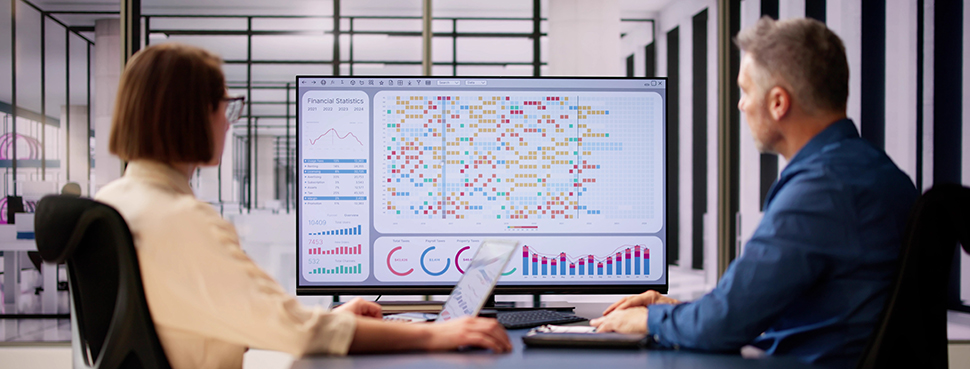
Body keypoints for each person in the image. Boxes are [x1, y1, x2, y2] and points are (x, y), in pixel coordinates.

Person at [94, 43, 511, 369]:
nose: (227, 120)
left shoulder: (117, 202)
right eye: (225, 106)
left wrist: (332, 317)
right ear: (192, 115)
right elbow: (299, 337)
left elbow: (218, 312)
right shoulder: (182, 221)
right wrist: (439, 335)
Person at [590, 16, 918, 368]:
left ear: (778, 102)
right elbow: (751, 307)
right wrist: (683, 313)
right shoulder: (877, 172)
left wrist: (648, 320)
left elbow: (725, 324)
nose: (741, 105)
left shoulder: (820, 190)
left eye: (745, 90)